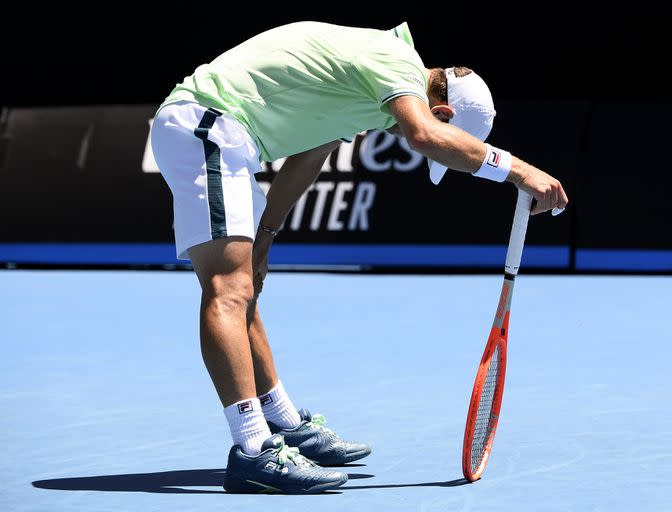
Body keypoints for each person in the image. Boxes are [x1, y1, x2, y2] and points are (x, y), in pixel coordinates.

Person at [150, 20, 568, 494]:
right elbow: (425, 136)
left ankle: (283, 424)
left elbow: (310, 156)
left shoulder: (363, 83)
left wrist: (266, 234)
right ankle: (251, 450)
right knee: (228, 291)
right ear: (443, 110)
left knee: (243, 289)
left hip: (223, 134)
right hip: (210, 125)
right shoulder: (395, 64)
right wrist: (520, 171)